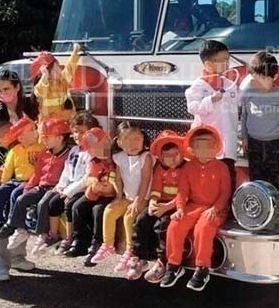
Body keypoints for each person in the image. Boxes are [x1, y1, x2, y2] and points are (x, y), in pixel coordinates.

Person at [161, 125, 230, 291]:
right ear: (193, 149)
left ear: (216, 147)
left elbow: (225, 193)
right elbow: (182, 192)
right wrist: (179, 209)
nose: (205, 150)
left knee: (203, 228)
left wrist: (215, 209)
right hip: (193, 206)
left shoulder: (222, 167)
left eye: (209, 146)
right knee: (175, 226)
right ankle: (173, 265)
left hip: (216, 209)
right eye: (200, 146)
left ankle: (202, 269)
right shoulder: (188, 167)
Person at [89, 122, 153, 274]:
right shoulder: (119, 157)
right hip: (127, 196)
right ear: (119, 142)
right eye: (128, 140)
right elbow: (118, 178)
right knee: (109, 211)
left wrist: (139, 200)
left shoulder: (146, 157)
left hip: (143, 198)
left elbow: (145, 180)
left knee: (129, 217)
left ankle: (130, 250)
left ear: (143, 139)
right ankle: (108, 245)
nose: (133, 144)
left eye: (137, 139)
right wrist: (118, 196)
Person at [2, 118, 73, 250]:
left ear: (59, 138)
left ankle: (43, 234)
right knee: (21, 199)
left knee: (43, 203)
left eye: (47, 137)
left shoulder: (68, 155)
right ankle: (20, 229)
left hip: (55, 188)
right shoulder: (44, 153)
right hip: (41, 186)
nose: (43, 140)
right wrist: (28, 188)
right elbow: (37, 174)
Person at [240, 51, 279, 224]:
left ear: (275, 76)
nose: (259, 82)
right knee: (257, 176)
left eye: (263, 78)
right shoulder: (248, 93)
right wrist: (244, 138)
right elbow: (244, 117)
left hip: (276, 143)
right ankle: (260, 209)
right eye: (255, 77)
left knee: (278, 177)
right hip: (254, 143)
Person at [126, 130, 185, 282]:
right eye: (167, 156)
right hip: (161, 203)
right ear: (160, 156)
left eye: (175, 155)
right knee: (141, 220)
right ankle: (140, 257)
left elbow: (185, 194)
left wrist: (167, 207)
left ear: (181, 152)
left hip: (178, 205)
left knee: (163, 226)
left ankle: (162, 261)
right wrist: (152, 201)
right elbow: (156, 189)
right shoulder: (159, 169)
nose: (171, 160)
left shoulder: (187, 169)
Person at [185, 39, 239, 190]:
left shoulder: (230, 84)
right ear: (208, 63)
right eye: (221, 60)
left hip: (228, 138)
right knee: (209, 177)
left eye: (227, 59)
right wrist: (210, 100)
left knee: (228, 174)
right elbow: (192, 107)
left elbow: (235, 110)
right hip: (208, 142)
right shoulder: (199, 85)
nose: (226, 64)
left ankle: (228, 210)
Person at [50, 112, 100, 256]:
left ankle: (73, 238)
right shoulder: (74, 150)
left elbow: (87, 177)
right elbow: (67, 170)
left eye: (83, 132)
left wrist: (69, 191)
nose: (78, 135)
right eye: (76, 132)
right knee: (53, 202)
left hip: (82, 188)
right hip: (69, 187)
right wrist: (61, 186)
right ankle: (52, 235)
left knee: (71, 205)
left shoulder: (91, 152)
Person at [66, 127, 115, 265]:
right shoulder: (94, 161)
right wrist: (94, 185)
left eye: (98, 146)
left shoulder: (116, 158)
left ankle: (97, 244)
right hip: (97, 192)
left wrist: (109, 188)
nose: (96, 151)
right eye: (92, 149)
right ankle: (80, 241)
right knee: (78, 206)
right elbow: (91, 177)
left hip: (113, 194)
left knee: (98, 210)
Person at [0, 118, 42, 238]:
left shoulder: (41, 148)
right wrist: (3, 183)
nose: (36, 131)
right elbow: (8, 169)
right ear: (21, 138)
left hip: (30, 181)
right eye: (32, 130)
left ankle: (11, 223)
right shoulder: (14, 151)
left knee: (15, 194)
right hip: (16, 180)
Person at [0, 70, 37, 170]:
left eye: (6, 89)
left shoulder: (30, 105)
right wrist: (12, 165)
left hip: (34, 159)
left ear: (17, 87)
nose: (3, 93)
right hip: (6, 166)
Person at [31, 43, 81, 121]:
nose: (58, 70)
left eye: (57, 66)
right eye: (54, 69)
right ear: (46, 71)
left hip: (62, 125)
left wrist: (75, 52)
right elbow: (40, 90)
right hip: (48, 129)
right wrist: (45, 75)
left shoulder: (62, 80)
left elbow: (69, 68)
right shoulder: (42, 86)